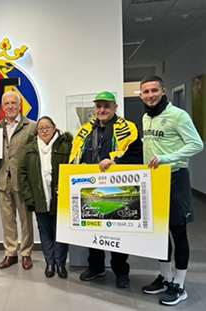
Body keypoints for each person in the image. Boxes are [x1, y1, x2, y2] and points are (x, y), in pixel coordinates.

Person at [139, 75, 203, 306]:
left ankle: (180, 284)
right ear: (141, 95)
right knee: (158, 233)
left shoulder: (178, 115)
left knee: (178, 233)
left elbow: (196, 143)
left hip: (175, 178)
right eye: (145, 92)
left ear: (163, 91)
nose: (150, 95)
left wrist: (167, 158)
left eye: (154, 90)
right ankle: (165, 278)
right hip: (153, 181)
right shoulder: (146, 117)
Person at [69, 91, 143, 288]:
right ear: (94, 108)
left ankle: (120, 271)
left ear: (115, 108)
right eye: (99, 106)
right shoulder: (85, 130)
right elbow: (75, 157)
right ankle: (96, 267)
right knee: (92, 230)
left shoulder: (128, 129)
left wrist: (116, 162)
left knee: (118, 233)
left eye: (106, 106)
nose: (102, 110)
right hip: (89, 187)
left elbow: (137, 157)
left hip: (117, 187)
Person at [18, 116, 72, 278]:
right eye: (41, 128)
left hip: (60, 199)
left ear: (54, 127)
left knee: (60, 232)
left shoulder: (66, 145)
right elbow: (22, 173)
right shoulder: (30, 148)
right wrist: (28, 196)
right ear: (37, 131)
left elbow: (73, 168)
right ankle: (50, 263)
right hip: (39, 199)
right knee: (45, 231)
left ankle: (60, 264)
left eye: (47, 127)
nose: (44, 131)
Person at [0, 91, 36, 270]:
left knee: (26, 219)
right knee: (7, 220)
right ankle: (10, 253)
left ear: (20, 106)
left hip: (23, 181)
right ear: (2, 107)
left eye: (13, 103)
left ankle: (26, 253)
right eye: (7, 104)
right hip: (3, 180)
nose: (10, 106)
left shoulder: (31, 126)